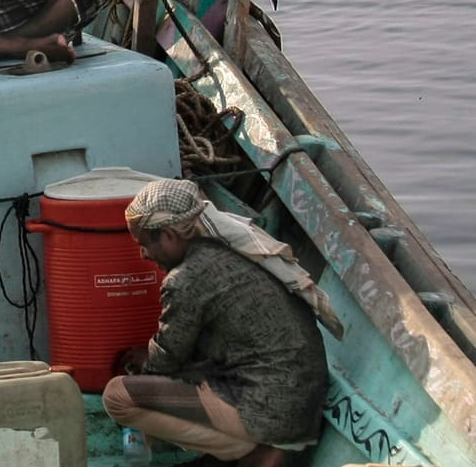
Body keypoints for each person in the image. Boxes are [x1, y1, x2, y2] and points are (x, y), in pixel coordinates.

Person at [104, 178, 340, 467]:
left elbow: (164, 362)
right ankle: (243, 449)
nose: (144, 254)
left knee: (118, 395)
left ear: (168, 235)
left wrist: (146, 360)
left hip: (271, 413)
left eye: (144, 244)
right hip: (301, 401)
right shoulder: (230, 246)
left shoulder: (186, 278)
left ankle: (255, 453)